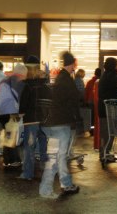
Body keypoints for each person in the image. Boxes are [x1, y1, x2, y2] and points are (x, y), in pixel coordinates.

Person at [39, 52, 81, 199]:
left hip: (53, 122)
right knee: (55, 158)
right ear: (73, 64)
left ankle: (66, 184)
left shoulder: (60, 78)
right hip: (61, 123)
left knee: (60, 156)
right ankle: (45, 190)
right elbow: (76, 99)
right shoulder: (67, 80)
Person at [18, 55, 50, 180]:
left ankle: (27, 173)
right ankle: (46, 169)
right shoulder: (44, 84)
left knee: (29, 148)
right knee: (43, 146)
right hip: (43, 120)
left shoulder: (27, 85)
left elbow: (23, 105)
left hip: (30, 121)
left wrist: (20, 113)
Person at [0, 63, 27, 167]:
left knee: (9, 135)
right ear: (22, 73)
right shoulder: (19, 82)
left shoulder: (5, 80)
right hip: (12, 112)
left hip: (1, 112)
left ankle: (7, 159)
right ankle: (13, 159)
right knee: (13, 136)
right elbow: (22, 99)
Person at [84, 68, 101, 134]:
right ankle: (97, 130)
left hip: (90, 101)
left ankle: (92, 131)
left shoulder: (90, 82)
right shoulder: (101, 82)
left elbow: (86, 92)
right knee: (98, 117)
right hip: (98, 102)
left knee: (91, 117)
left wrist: (86, 101)